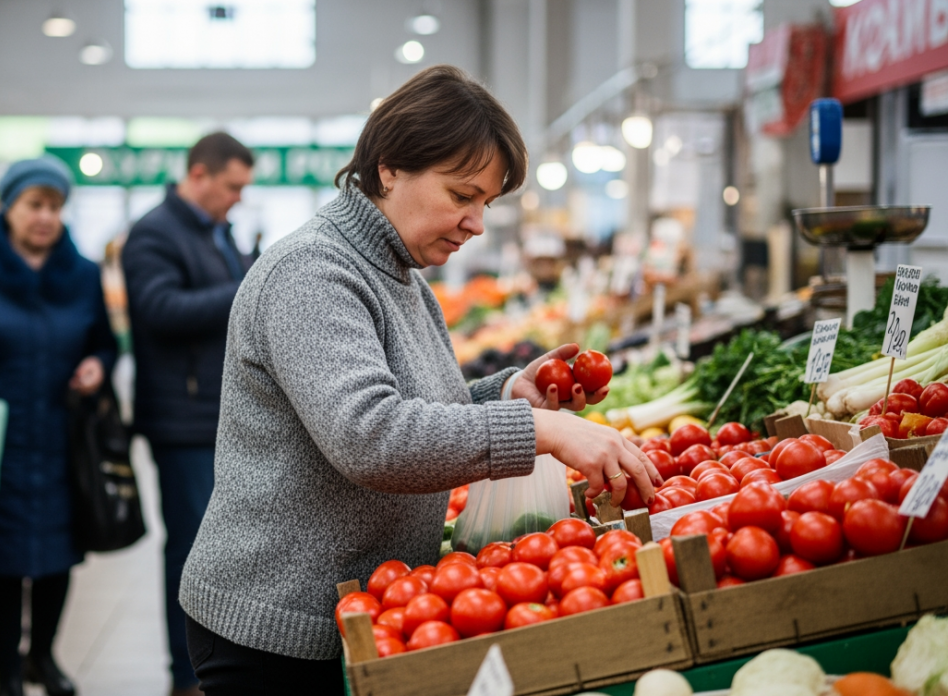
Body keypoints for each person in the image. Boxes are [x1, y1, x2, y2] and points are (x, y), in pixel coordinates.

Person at [178, 66, 663, 694]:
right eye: (462, 196)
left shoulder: (399, 272)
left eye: (485, 203)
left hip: (363, 608)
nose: (476, 223)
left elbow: (419, 404)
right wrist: (541, 430)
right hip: (279, 625)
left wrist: (507, 393)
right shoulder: (312, 274)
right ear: (388, 170)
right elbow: (371, 436)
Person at [0, 156, 118, 696]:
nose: (46, 216)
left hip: (61, 435)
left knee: (57, 556)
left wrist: (98, 365)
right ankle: (6, 671)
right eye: (34, 205)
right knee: (1, 561)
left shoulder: (83, 274)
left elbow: (103, 342)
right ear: (9, 206)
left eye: (54, 206)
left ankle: (43, 657)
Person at [121, 132, 254, 696]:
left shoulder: (217, 230)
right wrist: (248, 288)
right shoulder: (153, 233)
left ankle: (215, 666)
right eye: (232, 186)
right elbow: (159, 310)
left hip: (219, 415)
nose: (238, 198)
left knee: (220, 549)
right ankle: (187, 674)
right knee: (190, 549)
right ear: (199, 174)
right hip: (183, 417)